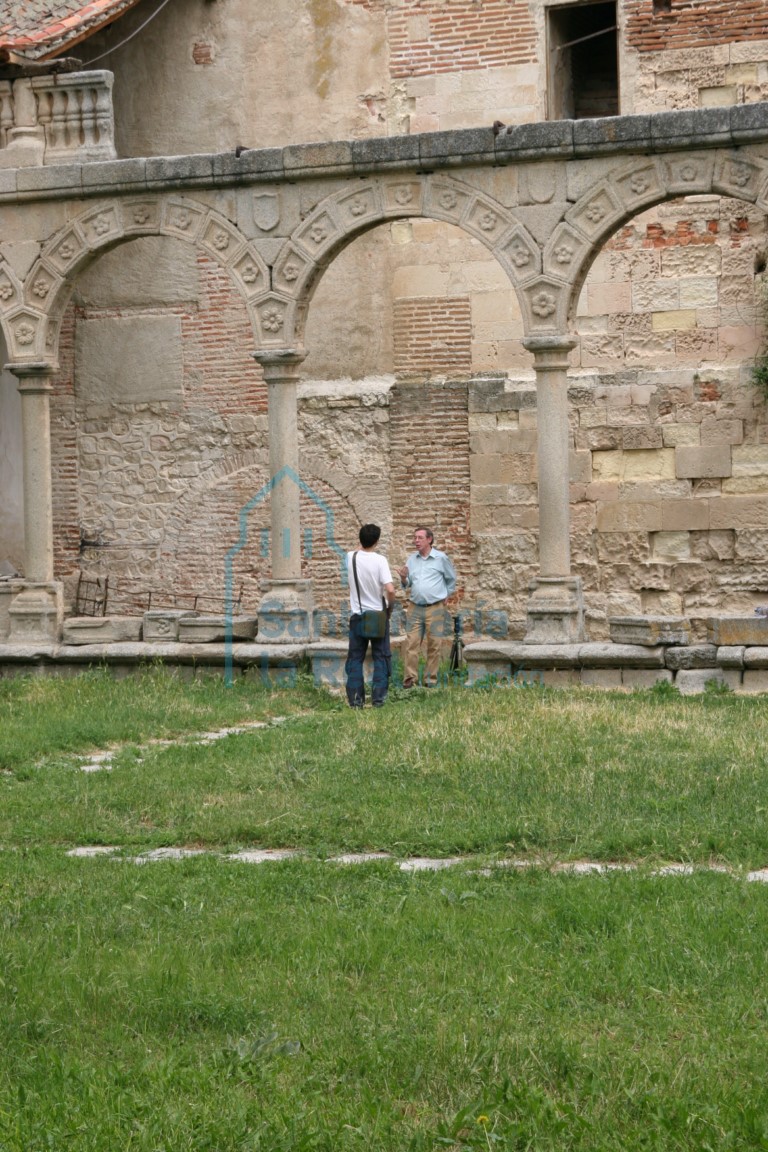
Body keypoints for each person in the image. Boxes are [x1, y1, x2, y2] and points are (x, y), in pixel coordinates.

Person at [398, 526, 457, 688]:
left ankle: (430, 681)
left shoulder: (441, 558)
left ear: (429, 539)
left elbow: (451, 579)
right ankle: (410, 681)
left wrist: (447, 594)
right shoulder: (411, 559)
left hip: (435, 608)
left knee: (434, 645)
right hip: (414, 607)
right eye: (415, 537)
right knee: (411, 645)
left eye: (420, 538)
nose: (416, 541)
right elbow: (407, 584)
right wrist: (403, 579)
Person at [345, 524, 396, 708]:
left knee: (355, 659)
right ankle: (378, 700)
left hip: (358, 615)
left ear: (360, 539)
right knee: (380, 658)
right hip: (377, 616)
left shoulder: (351, 557)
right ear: (377, 541)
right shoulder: (380, 560)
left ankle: (356, 701)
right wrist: (390, 607)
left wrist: (364, 543)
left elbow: (359, 550)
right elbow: (390, 589)